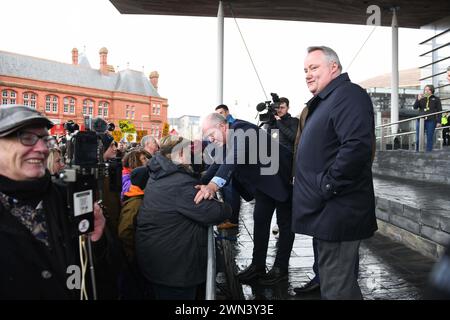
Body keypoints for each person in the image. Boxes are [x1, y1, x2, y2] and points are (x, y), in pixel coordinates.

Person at [292, 46, 377, 300]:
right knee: (339, 285)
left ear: (334, 68)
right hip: (326, 213)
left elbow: (357, 147)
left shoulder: (348, 94)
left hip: (337, 212)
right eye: (305, 70)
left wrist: (326, 186)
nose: (308, 74)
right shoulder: (327, 101)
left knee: (336, 289)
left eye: (314, 68)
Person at [0, 104, 109, 299]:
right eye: (26, 137)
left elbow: (90, 275)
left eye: (45, 139)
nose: (42, 148)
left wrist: (96, 241)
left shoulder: (64, 196)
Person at [196, 113, 295, 285]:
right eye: (207, 137)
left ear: (222, 126)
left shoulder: (241, 130)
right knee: (260, 220)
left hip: (284, 179)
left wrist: (212, 186)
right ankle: (258, 265)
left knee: (285, 224)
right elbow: (217, 164)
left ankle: (281, 269)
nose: (210, 139)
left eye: (211, 134)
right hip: (266, 184)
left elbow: (233, 159)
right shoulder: (227, 140)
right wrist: (194, 182)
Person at [135, 135, 231, 299]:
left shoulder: (161, 173)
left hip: (161, 260)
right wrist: (215, 197)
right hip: (173, 269)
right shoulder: (178, 182)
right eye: (189, 152)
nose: (192, 156)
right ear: (179, 154)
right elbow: (218, 212)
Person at [213, 104, 240, 229]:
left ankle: (233, 220)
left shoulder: (232, 125)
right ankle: (229, 217)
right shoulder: (220, 127)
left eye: (221, 112)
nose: (220, 115)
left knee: (232, 192)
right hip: (226, 161)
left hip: (233, 164)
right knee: (226, 192)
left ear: (227, 112)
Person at [413, 84, 442, 152]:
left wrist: (439, 121)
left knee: (429, 137)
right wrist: (418, 99)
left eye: (428, 90)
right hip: (420, 120)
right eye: (425, 90)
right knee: (418, 137)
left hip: (431, 120)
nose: (426, 91)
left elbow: (439, 111)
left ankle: (428, 153)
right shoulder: (421, 98)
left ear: (431, 91)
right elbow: (415, 107)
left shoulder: (436, 99)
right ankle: (417, 151)